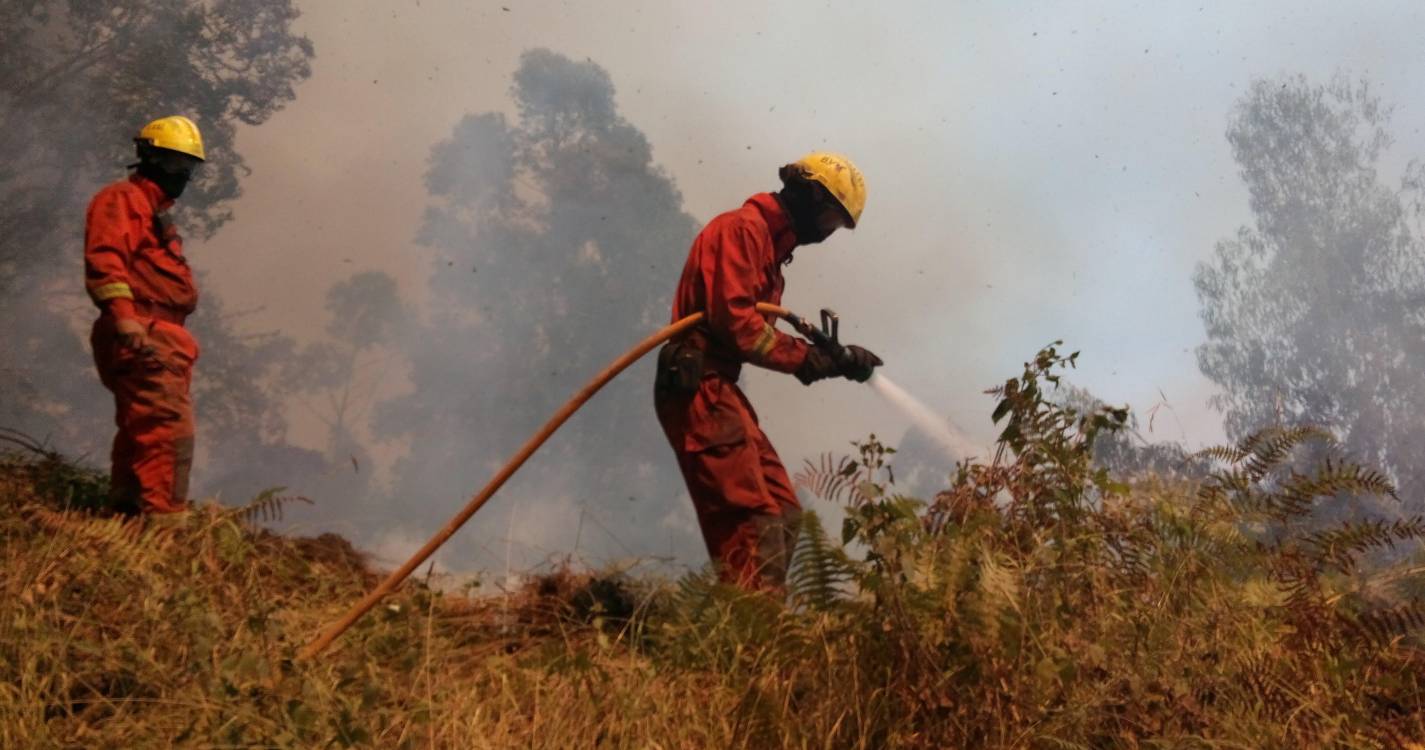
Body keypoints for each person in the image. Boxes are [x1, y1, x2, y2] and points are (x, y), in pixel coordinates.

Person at [654, 152, 882, 590]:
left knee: (785, 514)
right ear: (811, 195)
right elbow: (738, 325)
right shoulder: (743, 230)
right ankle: (750, 625)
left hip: (719, 388)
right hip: (699, 387)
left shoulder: (769, 250)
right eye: (831, 220)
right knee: (752, 522)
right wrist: (805, 359)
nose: (828, 233)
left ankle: (758, 617)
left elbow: (757, 330)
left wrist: (833, 358)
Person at [84, 115, 205, 515]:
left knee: (143, 429)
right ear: (149, 157)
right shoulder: (124, 199)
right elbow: (106, 259)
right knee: (168, 430)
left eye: (188, 165)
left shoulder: (155, 214)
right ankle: (164, 527)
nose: (181, 173)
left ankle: (127, 516)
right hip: (143, 330)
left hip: (162, 335)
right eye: (174, 161)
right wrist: (125, 317)